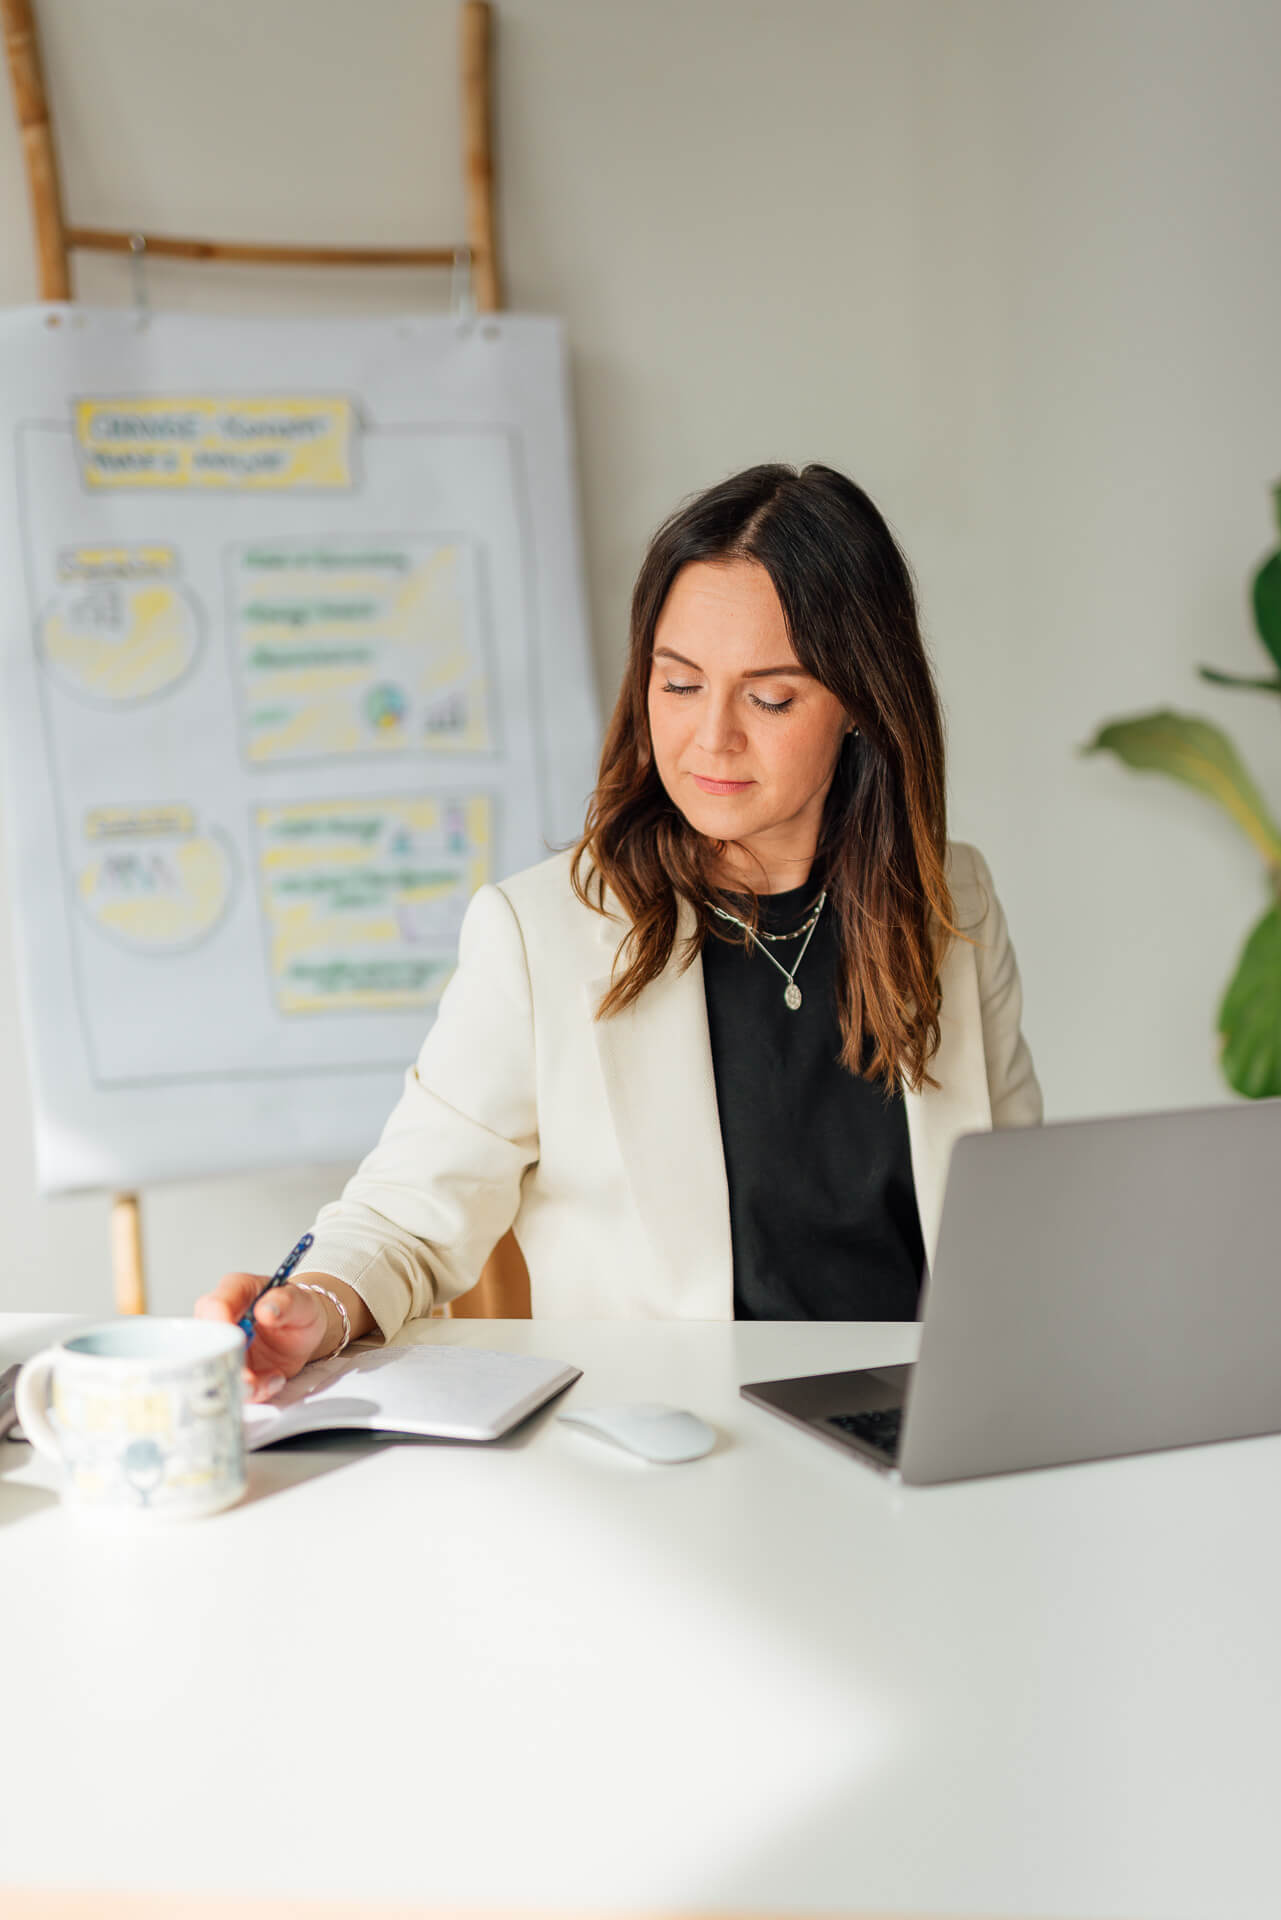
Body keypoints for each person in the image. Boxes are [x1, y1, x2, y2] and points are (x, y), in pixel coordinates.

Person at [196, 462, 1041, 1400]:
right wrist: (316, 1300)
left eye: (769, 698)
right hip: (678, 1449)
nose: (709, 738)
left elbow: (1017, 1222)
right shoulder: (540, 932)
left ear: (858, 704)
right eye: (678, 685)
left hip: (922, 1427)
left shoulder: (949, 899)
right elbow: (406, 1217)